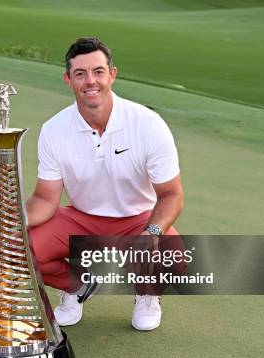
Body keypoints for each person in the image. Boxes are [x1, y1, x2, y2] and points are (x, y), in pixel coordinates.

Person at [26, 37, 186, 331]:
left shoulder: (148, 124)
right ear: (67, 79)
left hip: (137, 219)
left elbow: (172, 195)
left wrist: (151, 234)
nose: (91, 81)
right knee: (21, 249)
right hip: (79, 218)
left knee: (174, 258)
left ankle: (147, 294)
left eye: (98, 72)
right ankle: (76, 285)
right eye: (80, 74)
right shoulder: (53, 130)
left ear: (112, 74)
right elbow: (45, 199)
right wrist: (11, 221)